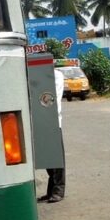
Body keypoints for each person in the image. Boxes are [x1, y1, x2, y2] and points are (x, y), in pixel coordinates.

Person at [41, 67, 67, 202]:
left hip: (53, 122)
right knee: (47, 158)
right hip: (40, 123)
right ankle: (51, 190)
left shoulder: (56, 75)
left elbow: (48, 99)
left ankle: (59, 190)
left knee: (56, 158)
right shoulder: (39, 77)